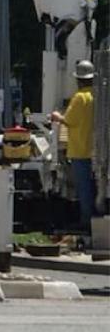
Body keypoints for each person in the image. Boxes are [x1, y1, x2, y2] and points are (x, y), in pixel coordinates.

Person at [51, 60, 97, 234]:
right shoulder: (96, 96)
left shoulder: (79, 97)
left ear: (78, 80)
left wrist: (56, 116)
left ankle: (86, 221)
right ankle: (95, 218)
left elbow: (69, 120)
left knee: (83, 187)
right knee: (93, 187)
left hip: (79, 149)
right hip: (95, 149)